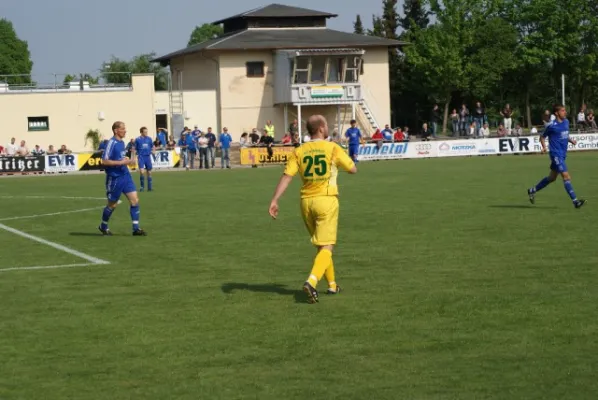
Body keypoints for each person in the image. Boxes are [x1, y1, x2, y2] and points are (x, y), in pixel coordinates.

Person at [268, 115, 357, 304]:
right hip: (326, 200)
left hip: (306, 203)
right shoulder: (332, 148)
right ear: (322, 128)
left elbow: (287, 176)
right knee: (327, 246)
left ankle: (332, 285)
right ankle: (311, 281)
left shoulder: (299, 151)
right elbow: (352, 168)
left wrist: (275, 199)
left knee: (321, 246)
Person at [527, 104, 585, 209]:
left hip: (562, 154)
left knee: (552, 178)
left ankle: (532, 190)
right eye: (563, 111)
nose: (565, 112)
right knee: (566, 176)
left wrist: (571, 141)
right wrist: (544, 147)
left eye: (565, 110)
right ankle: (575, 201)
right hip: (555, 154)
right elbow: (542, 137)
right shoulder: (551, 125)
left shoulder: (566, 122)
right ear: (557, 113)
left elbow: (565, 135)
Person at [98, 121, 147, 236]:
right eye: (123, 129)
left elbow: (122, 159)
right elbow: (104, 161)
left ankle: (136, 228)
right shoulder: (111, 143)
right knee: (112, 205)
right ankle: (103, 226)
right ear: (116, 130)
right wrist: (122, 162)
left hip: (125, 175)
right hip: (115, 178)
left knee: (135, 200)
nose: (125, 131)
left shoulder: (122, 143)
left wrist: (129, 158)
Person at [134, 126, 154, 192]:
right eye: (145, 132)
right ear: (141, 132)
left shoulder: (149, 139)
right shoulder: (137, 139)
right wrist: (134, 156)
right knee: (142, 172)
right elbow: (134, 148)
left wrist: (153, 150)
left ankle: (149, 187)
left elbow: (152, 146)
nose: (146, 133)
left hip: (147, 157)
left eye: (146, 132)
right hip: (141, 157)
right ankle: (142, 187)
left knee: (149, 172)